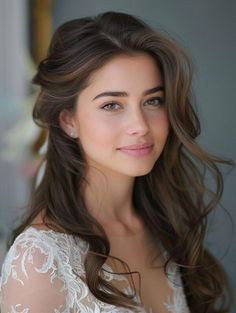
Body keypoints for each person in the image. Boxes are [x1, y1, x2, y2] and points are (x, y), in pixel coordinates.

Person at [0, 11, 233, 313]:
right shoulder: (40, 260)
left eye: (153, 101)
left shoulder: (164, 227)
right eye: (112, 105)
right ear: (69, 120)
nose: (140, 125)